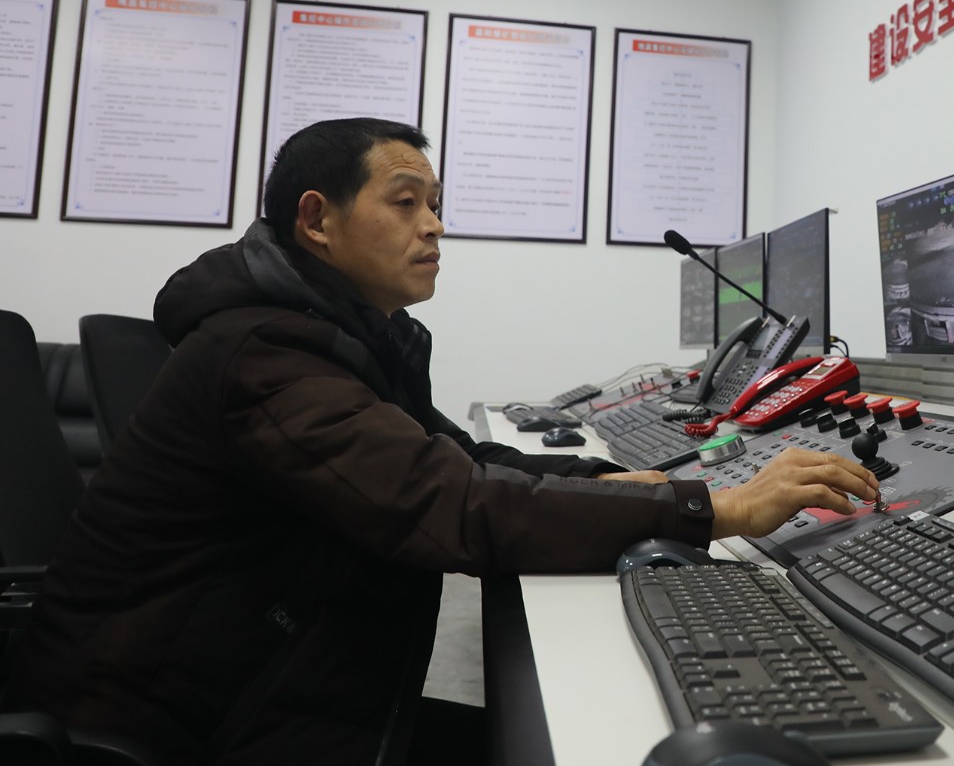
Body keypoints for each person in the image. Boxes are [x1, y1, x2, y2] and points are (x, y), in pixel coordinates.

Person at [6, 118, 879, 765]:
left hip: (272, 681)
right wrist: (715, 508)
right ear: (317, 220)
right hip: (189, 726)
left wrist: (622, 485)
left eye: (435, 205)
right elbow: (451, 508)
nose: (433, 226)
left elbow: (458, 461)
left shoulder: (342, 339)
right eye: (405, 202)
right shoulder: (264, 355)